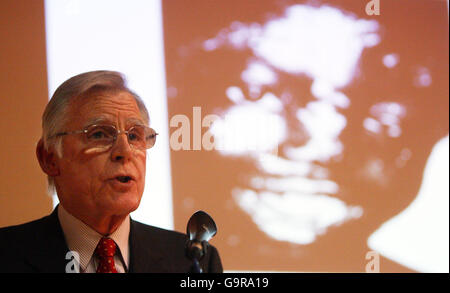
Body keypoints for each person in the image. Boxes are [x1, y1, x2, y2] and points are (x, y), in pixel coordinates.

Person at [0, 70, 223, 273]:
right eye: (99, 134)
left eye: (135, 136)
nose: (124, 151)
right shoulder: (7, 256)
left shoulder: (193, 261)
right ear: (49, 158)